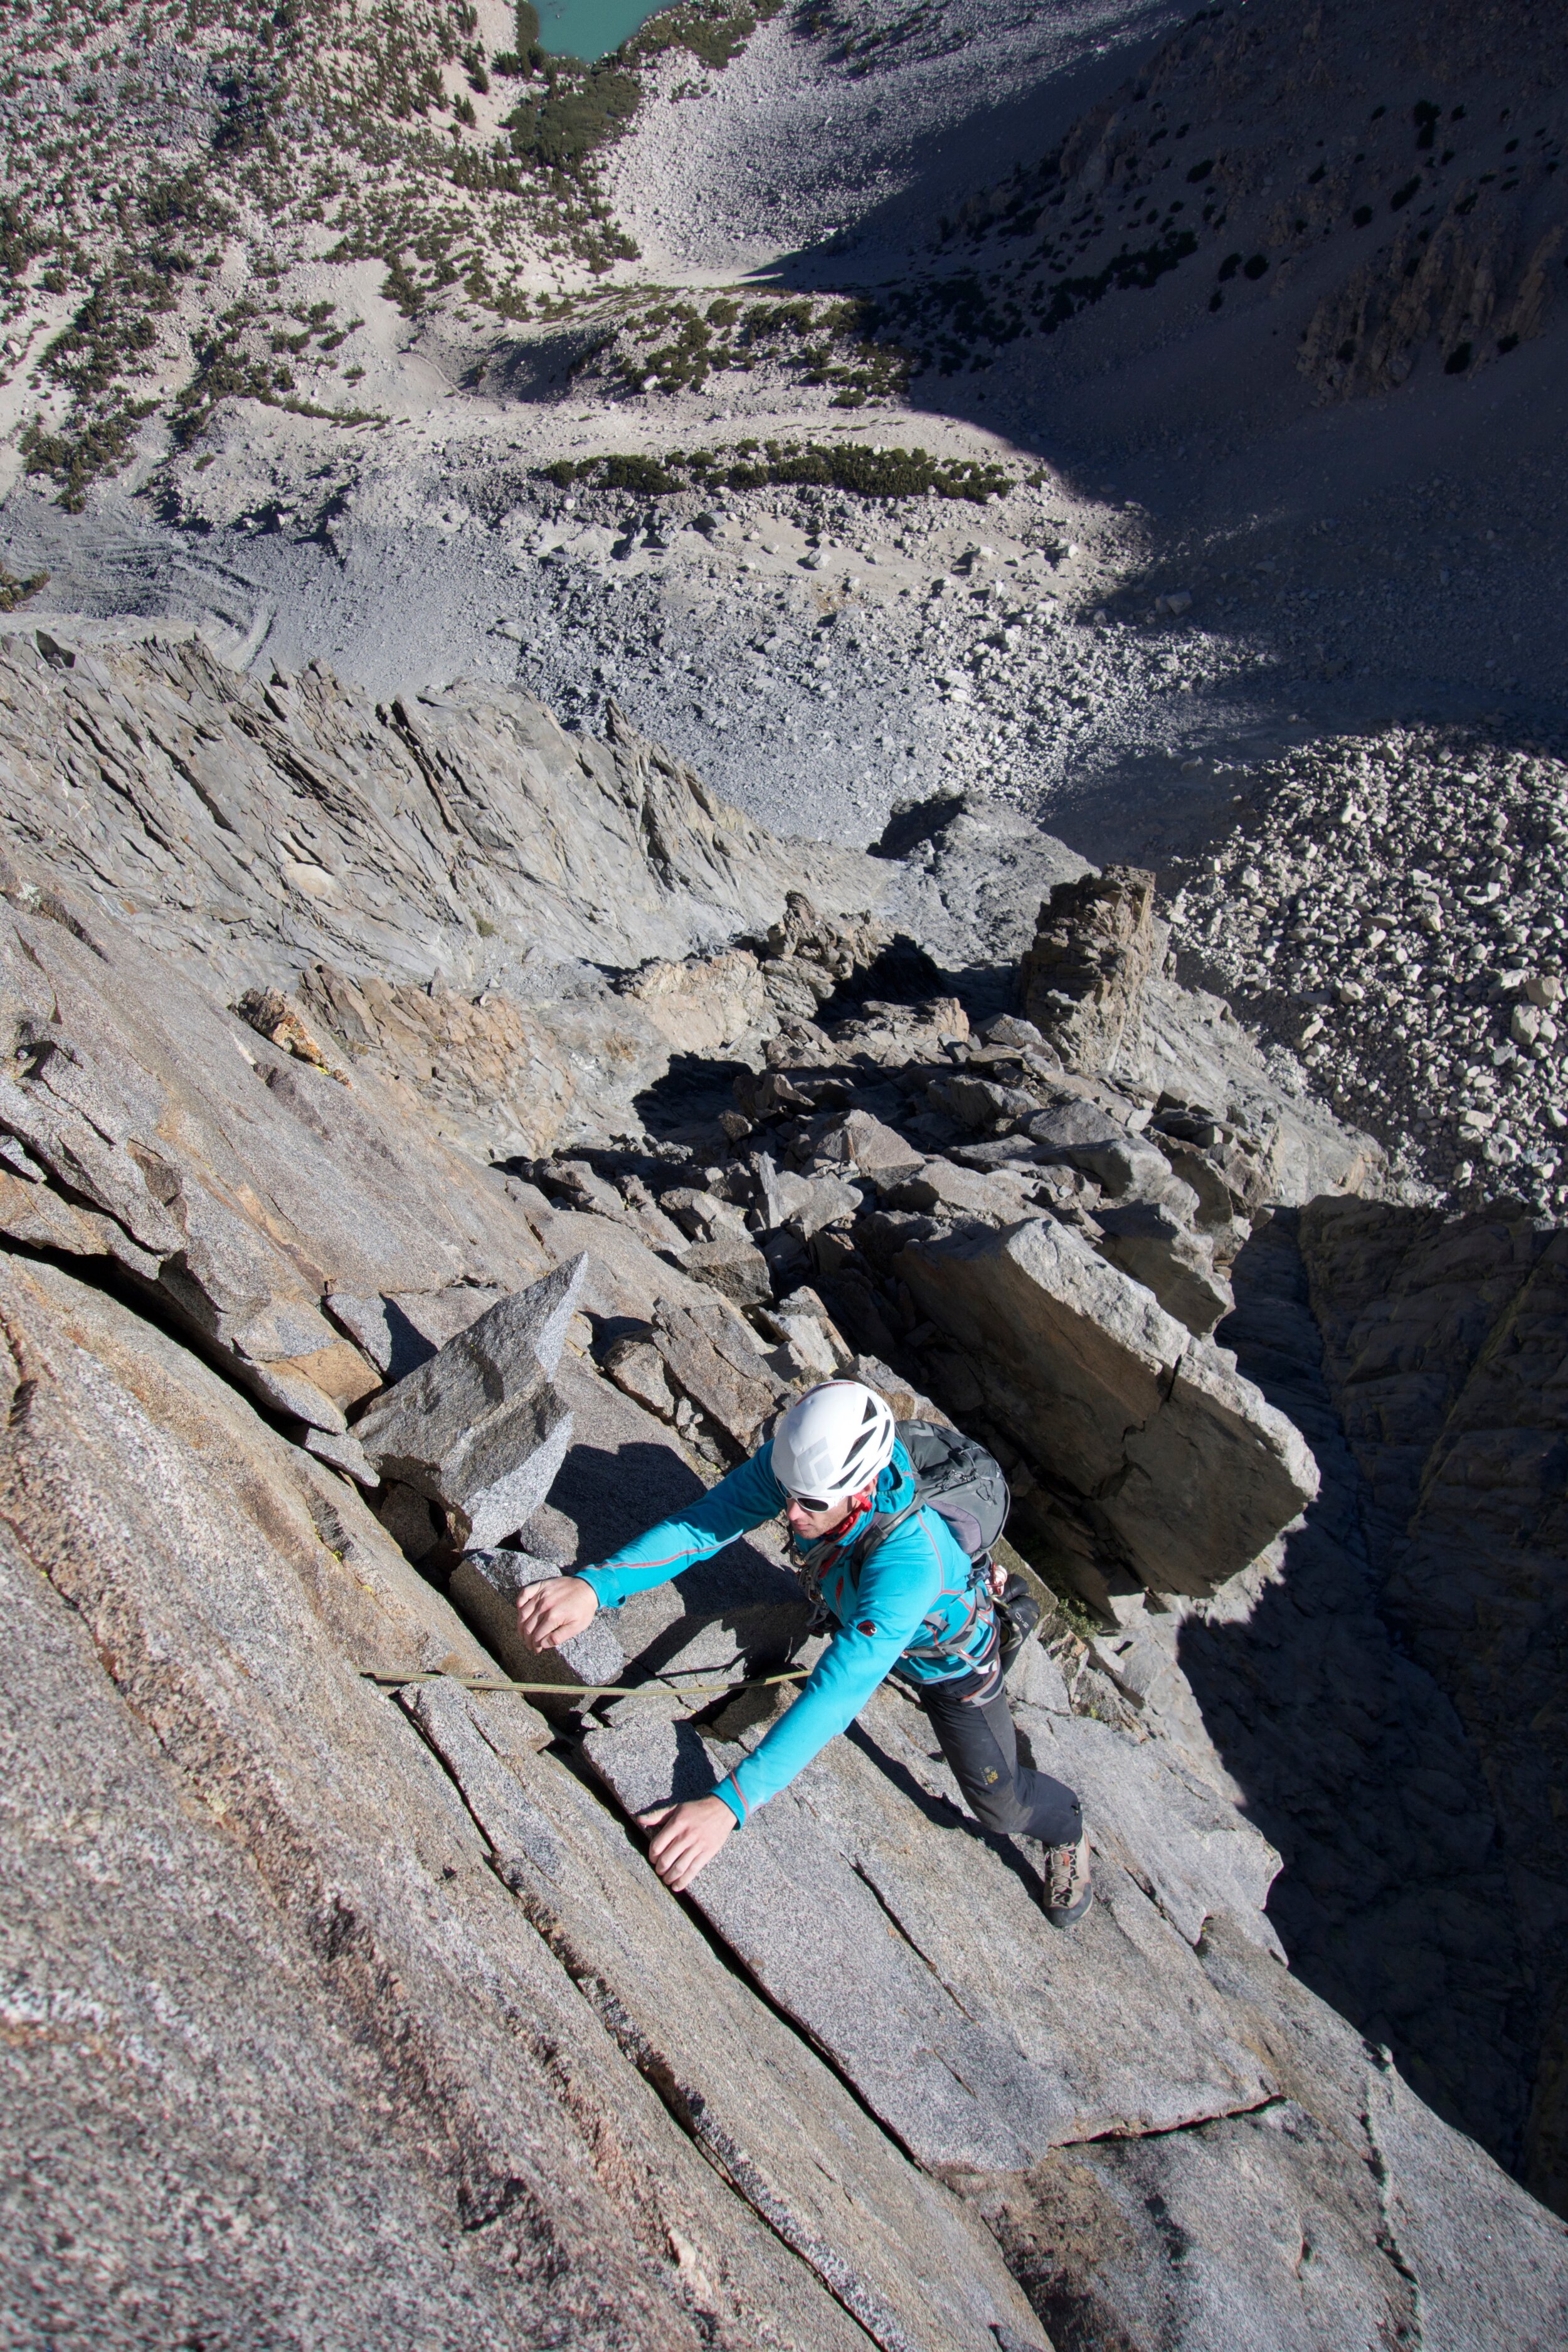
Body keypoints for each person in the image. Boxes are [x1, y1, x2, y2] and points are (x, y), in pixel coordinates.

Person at [516, 1379, 1093, 1926]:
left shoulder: (910, 1564)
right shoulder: (808, 1469)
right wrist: (595, 1586)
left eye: (810, 1503)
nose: (791, 1515)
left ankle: (1067, 1827)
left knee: (999, 1806)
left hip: (948, 1665)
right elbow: (703, 1526)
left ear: (862, 1492)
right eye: (789, 1495)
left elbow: (837, 1692)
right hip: (868, 1608)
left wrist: (729, 1804)